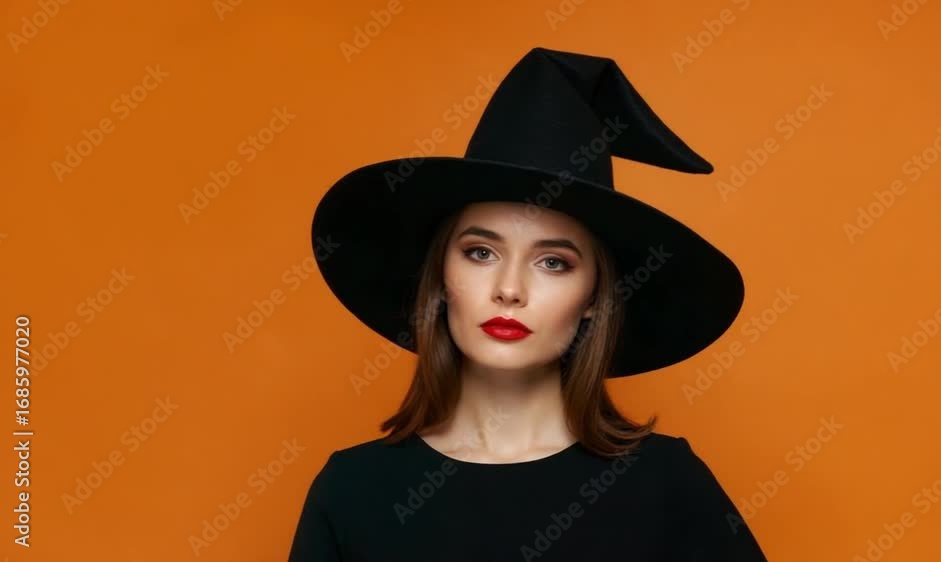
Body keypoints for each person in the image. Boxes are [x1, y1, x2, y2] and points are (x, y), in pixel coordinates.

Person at [288, 47, 768, 561]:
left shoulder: (667, 484)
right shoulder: (352, 490)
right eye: (481, 252)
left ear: (594, 297)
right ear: (441, 277)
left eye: (553, 262)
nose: (510, 288)